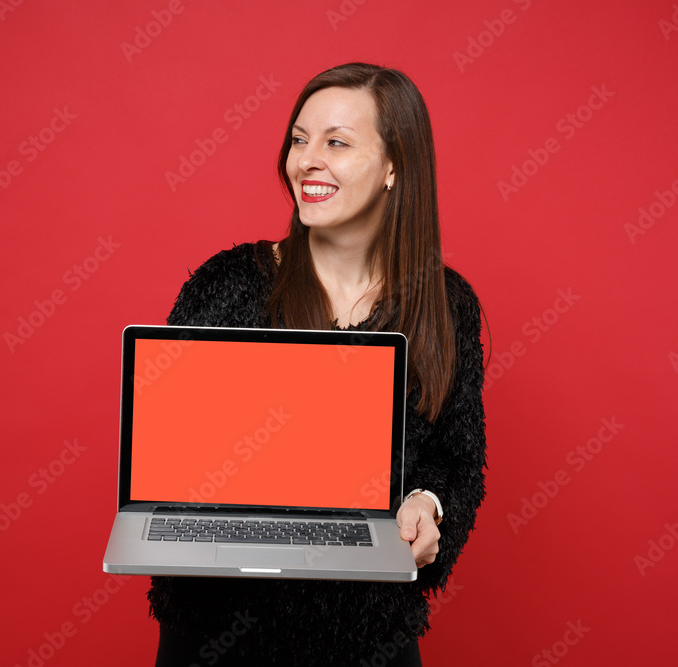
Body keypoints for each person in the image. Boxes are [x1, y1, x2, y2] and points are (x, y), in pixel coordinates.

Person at [149, 62, 487, 667]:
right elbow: (165, 451)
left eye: (337, 143)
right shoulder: (229, 283)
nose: (306, 161)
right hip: (220, 630)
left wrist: (428, 503)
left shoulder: (445, 303)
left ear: (394, 166)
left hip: (368, 630)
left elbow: (457, 458)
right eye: (299, 140)